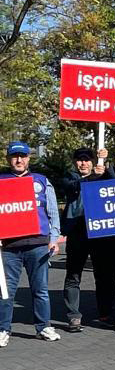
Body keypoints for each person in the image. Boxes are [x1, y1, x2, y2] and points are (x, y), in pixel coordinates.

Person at [0, 142, 63, 347]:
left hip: (38, 245)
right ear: (8, 159)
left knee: (41, 289)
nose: (19, 160)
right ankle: (3, 328)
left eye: (23, 156)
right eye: (15, 156)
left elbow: (53, 212)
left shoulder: (41, 181)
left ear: (29, 158)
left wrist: (53, 239)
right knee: (6, 290)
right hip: (9, 247)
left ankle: (43, 326)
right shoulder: (1, 181)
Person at [60, 147, 115, 331]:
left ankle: (106, 313)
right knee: (73, 274)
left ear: (93, 161)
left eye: (87, 159)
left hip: (99, 232)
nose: (83, 163)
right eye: (80, 160)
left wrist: (106, 164)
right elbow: (74, 186)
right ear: (74, 162)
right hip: (77, 233)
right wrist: (92, 176)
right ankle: (73, 315)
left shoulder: (102, 173)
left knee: (104, 275)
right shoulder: (69, 177)